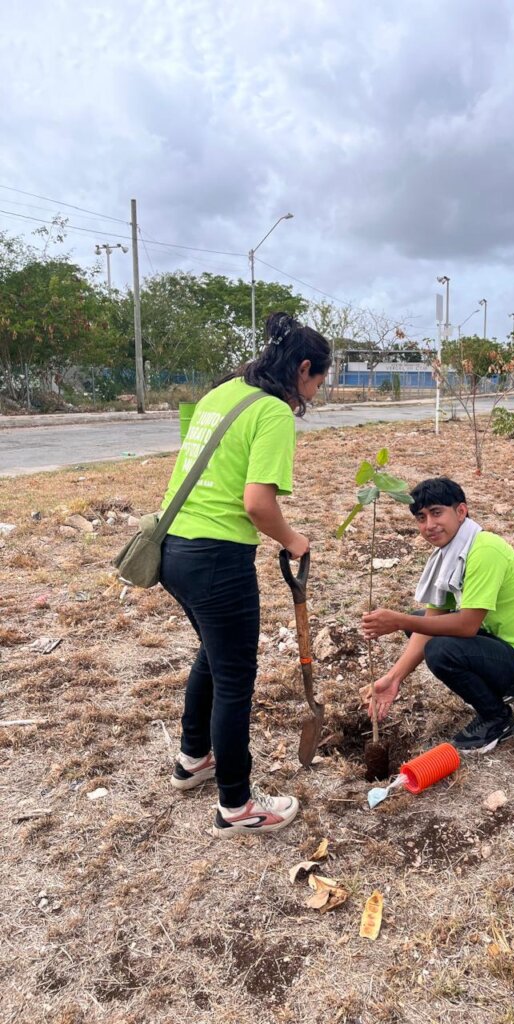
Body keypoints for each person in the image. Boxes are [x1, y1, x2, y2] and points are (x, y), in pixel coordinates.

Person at [159, 312, 330, 836]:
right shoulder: (273, 412)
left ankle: (194, 759)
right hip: (217, 559)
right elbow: (257, 503)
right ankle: (236, 805)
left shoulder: (223, 393)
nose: (315, 395)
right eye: (318, 383)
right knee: (235, 680)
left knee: (212, 657)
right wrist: (294, 540)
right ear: (302, 368)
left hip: (172, 548)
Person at [360, 477, 514, 753]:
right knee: (424, 624)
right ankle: (489, 688)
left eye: (437, 512)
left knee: (440, 649)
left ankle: (497, 719)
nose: (429, 525)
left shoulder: (484, 550)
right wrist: (393, 679)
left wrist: (398, 620)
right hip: (501, 644)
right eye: (421, 517)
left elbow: (466, 626)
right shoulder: (451, 553)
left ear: (461, 511)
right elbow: (429, 621)